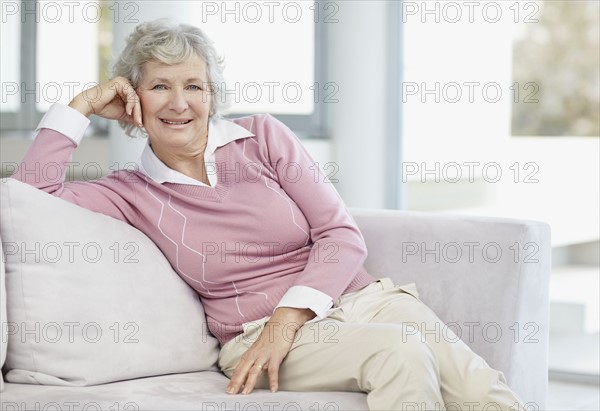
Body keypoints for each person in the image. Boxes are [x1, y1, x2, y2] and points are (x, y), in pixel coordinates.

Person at [13, 20, 525, 410]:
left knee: (486, 391)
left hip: (364, 302)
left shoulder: (262, 137)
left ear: (212, 97)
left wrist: (290, 314)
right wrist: (80, 105)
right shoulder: (131, 192)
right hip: (256, 338)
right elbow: (31, 190)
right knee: (402, 352)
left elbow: (340, 235)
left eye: (194, 85)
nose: (179, 102)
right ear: (133, 102)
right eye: (159, 86)